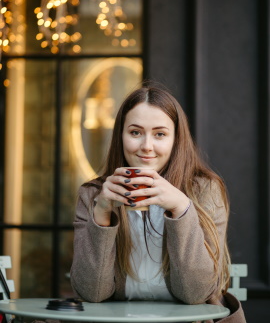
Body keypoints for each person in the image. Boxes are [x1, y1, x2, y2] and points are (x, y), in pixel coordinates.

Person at [70, 82, 246, 323]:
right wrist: (102, 212)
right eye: (135, 132)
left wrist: (181, 209)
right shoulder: (92, 195)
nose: (147, 146)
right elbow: (91, 293)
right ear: (120, 136)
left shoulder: (205, 191)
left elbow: (196, 293)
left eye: (160, 134)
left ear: (176, 139)